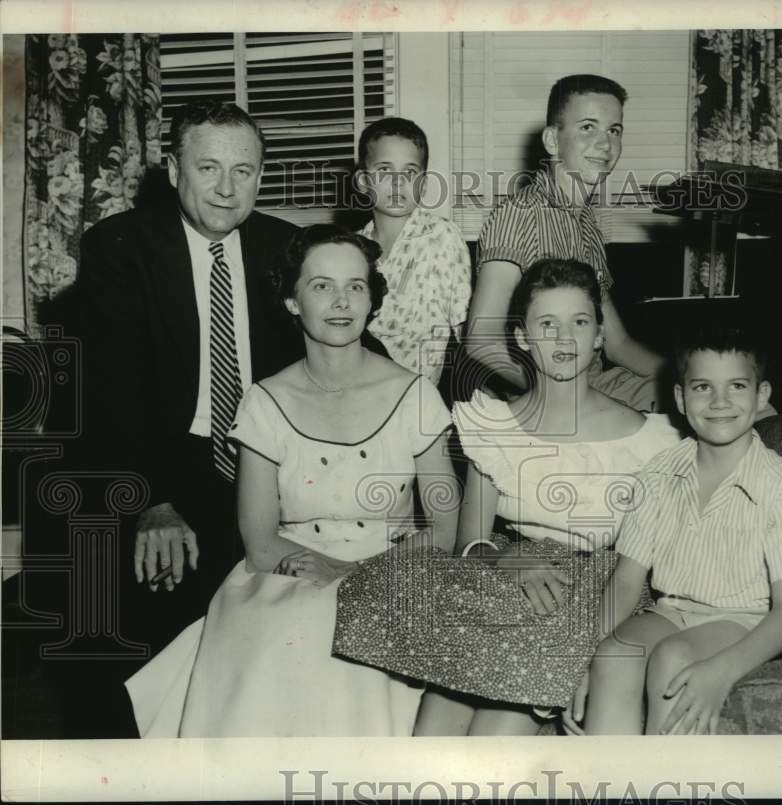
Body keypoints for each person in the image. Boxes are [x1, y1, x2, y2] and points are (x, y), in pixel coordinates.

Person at [124, 225, 460, 737]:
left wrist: (351, 571)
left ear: (372, 300)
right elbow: (259, 541)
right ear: (291, 300)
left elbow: (445, 529)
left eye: (355, 286)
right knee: (294, 629)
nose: (341, 301)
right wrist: (323, 571)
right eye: (322, 286)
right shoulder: (264, 402)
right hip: (289, 568)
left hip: (395, 571)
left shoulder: (415, 396)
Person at [330, 258, 681, 735]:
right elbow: (470, 542)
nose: (563, 339)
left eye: (579, 322)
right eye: (547, 324)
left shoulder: (652, 440)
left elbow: (647, 565)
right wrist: (508, 558)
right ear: (522, 337)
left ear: (600, 335)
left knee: (491, 741)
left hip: (597, 600)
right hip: (510, 585)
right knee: (431, 730)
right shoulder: (494, 425)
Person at [59, 100, 301, 736]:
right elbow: (109, 391)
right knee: (149, 636)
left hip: (262, 462)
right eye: (208, 167)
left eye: (243, 171)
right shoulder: (120, 247)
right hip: (162, 460)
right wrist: (153, 501)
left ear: (260, 176)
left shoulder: (285, 247)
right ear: (174, 171)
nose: (226, 188)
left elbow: (343, 345)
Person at [565, 329, 782, 736]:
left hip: (752, 621)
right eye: (703, 387)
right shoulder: (658, 475)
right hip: (674, 612)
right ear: (680, 398)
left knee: (673, 659)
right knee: (615, 653)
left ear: (761, 396)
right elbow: (626, 581)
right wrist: (585, 662)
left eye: (737, 386)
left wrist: (721, 671)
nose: (719, 401)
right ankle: (608, 770)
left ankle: (669, 772)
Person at [464, 74, 664, 411]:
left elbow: (617, 344)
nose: (605, 144)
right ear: (552, 140)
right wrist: (559, 395)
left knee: (727, 400)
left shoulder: (588, 227)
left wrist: (688, 375)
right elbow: (481, 340)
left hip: (596, 383)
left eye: (614, 130)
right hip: (544, 394)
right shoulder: (519, 215)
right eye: (588, 127)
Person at [356, 117, 471, 385]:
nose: (398, 183)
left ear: (424, 184)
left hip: (415, 394)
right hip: (354, 386)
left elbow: (466, 330)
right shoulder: (352, 248)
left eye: (409, 172)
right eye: (384, 170)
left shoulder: (442, 237)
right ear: (363, 181)